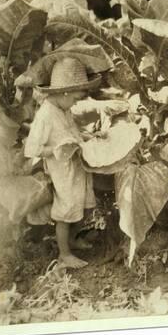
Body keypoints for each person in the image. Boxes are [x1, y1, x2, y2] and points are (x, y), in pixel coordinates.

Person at [24, 57, 102, 268]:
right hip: (62, 171)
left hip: (77, 166)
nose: (77, 102)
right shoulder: (45, 115)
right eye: (76, 97)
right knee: (65, 212)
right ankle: (64, 255)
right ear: (65, 93)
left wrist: (86, 137)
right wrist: (55, 150)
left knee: (83, 206)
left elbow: (71, 133)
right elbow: (31, 148)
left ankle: (72, 240)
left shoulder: (64, 109)